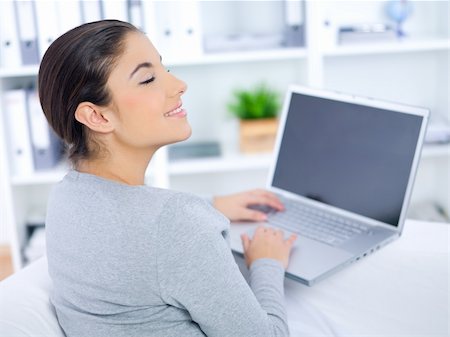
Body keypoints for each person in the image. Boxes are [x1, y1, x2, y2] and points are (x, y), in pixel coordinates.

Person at [39, 20, 297, 337]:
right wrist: (267, 263)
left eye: (164, 68)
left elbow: (132, 230)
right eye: (148, 79)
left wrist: (213, 206)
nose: (179, 85)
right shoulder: (175, 222)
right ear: (98, 116)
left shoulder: (65, 197)